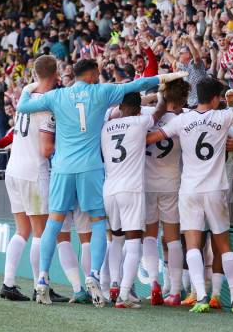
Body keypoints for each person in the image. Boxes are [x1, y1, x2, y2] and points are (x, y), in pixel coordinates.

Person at [15, 58, 186, 307]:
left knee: (54, 222)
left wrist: (29, 87)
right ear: (94, 73)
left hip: (62, 168)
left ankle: (42, 278)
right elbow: (137, 84)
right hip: (91, 169)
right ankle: (94, 274)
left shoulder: (57, 96)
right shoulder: (103, 91)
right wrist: (164, 78)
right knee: (97, 222)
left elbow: (23, 106)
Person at [147, 76, 233, 313]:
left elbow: (153, 138)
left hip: (189, 190)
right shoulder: (223, 117)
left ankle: (200, 296)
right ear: (215, 98)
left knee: (192, 245)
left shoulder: (182, 120)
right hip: (216, 188)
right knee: (223, 243)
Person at [0, 55, 81, 304]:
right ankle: (40, 286)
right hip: (33, 172)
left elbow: (30, 86)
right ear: (56, 73)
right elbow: (46, 149)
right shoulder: (47, 106)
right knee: (40, 232)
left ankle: (9, 283)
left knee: (21, 230)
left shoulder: (26, 97)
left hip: (13, 169)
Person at [101, 91, 166, 308]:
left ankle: (114, 285)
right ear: (138, 109)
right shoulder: (140, 122)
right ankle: (124, 295)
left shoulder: (106, 127)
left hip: (109, 189)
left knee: (116, 239)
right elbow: (159, 113)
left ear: (120, 106)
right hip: (131, 189)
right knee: (133, 241)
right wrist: (162, 95)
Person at [141, 79, 190, 306]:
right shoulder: (185, 119)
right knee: (172, 239)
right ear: (182, 99)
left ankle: (154, 283)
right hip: (172, 183)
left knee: (150, 236)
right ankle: (176, 291)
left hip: (147, 183)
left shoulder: (147, 115)